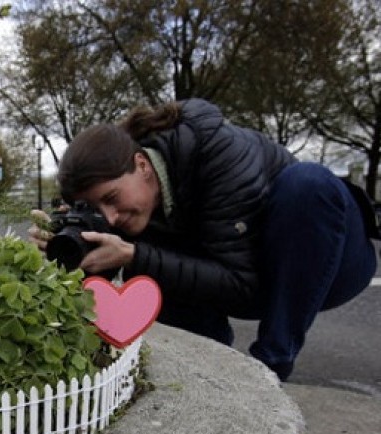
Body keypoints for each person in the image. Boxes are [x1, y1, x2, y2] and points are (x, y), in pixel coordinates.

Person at [30, 98, 379, 381]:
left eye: (111, 198)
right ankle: (210, 371)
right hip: (240, 277)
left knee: (308, 183)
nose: (110, 217)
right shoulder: (124, 207)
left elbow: (242, 283)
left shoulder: (217, 151)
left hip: (329, 264)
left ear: (142, 164)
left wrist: (134, 255)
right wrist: (69, 251)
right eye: (93, 208)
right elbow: (109, 290)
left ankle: (271, 363)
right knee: (150, 263)